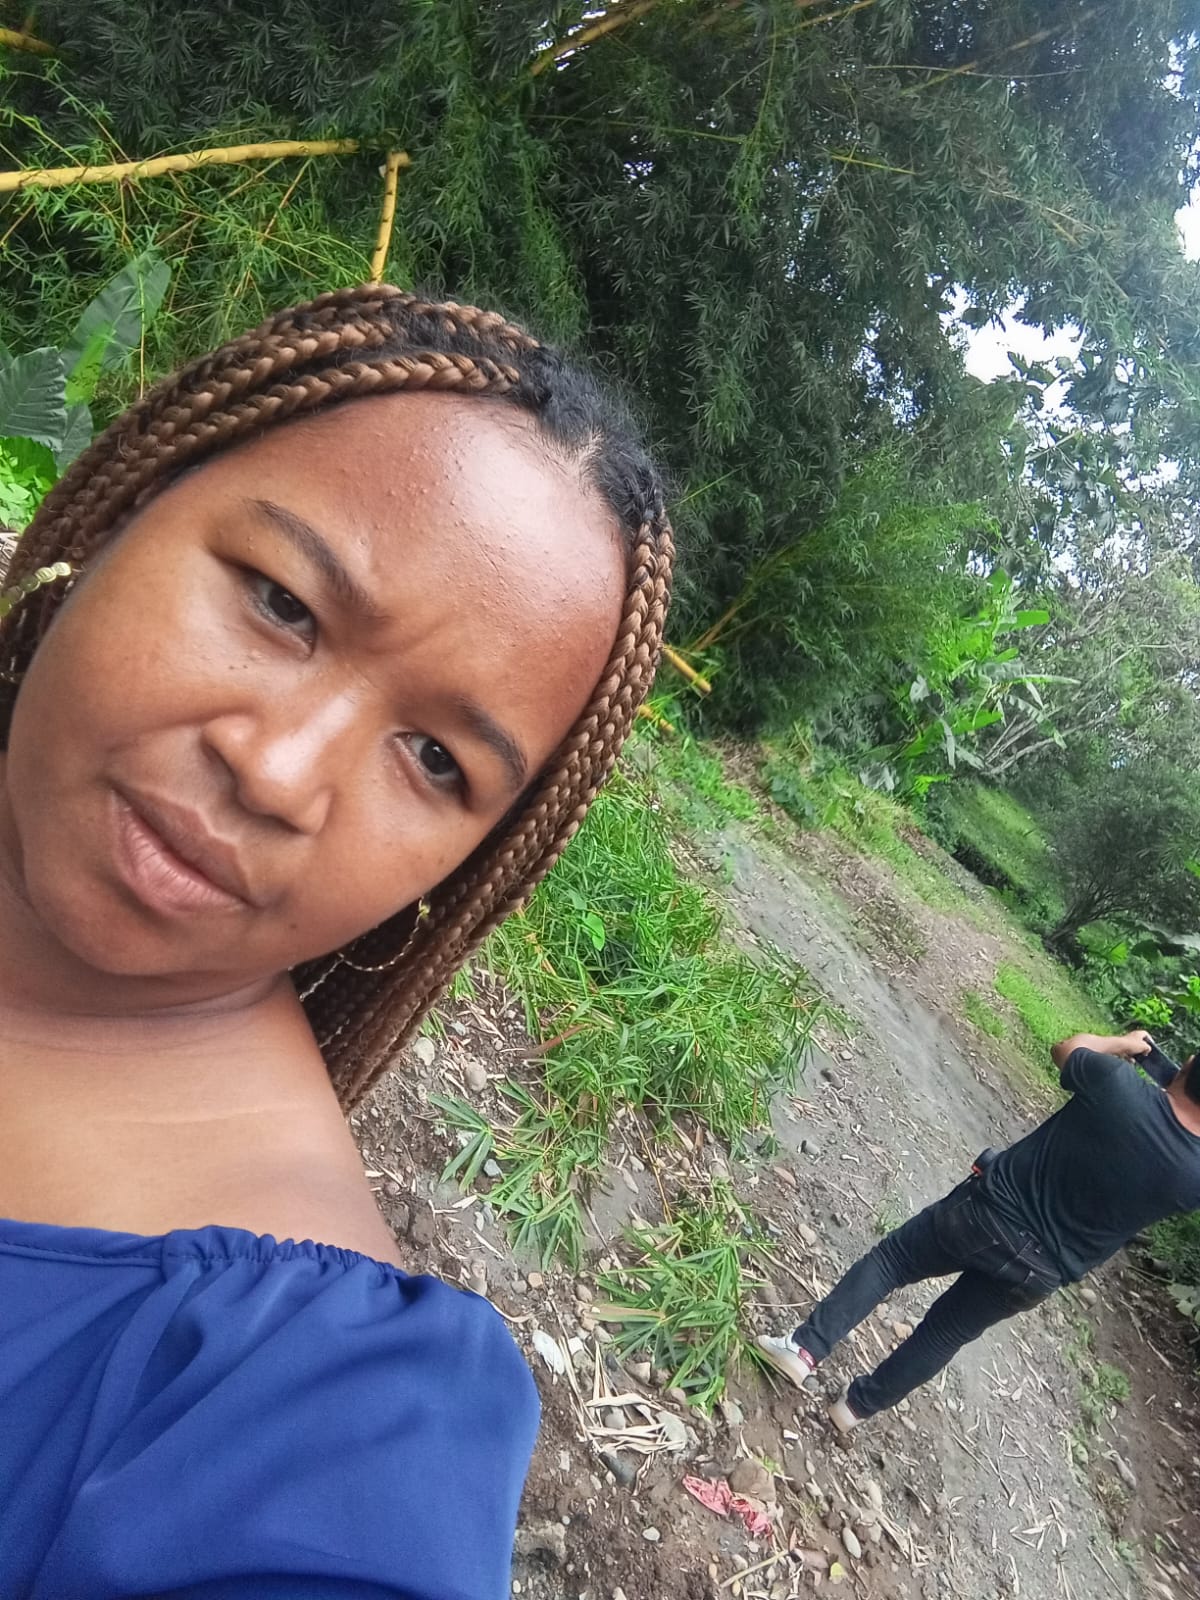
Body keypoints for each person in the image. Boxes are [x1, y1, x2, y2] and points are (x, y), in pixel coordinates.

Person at [0, 286, 673, 1599]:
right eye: (282, 603)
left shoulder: (305, 1399)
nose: (278, 772)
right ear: (130, 500)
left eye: (434, 760)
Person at [757, 1028, 1200, 1433]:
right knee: (944, 1334)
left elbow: (1066, 1049)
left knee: (892, 1262)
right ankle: (854, 1409)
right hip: (1042, 1272)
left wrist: (1122, 1044)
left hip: (988, 1211)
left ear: (1190, 1064)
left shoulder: (1116, 1083)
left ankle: (804, 1349)